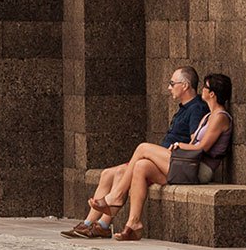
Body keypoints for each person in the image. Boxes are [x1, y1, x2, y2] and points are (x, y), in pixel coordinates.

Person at [62, 66, 207, 239]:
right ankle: (95, 224)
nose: (169, 87)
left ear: (184, 85)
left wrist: (177, 145)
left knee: (142, 148)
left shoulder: (197, 108)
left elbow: (195, 141)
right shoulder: (184, 108)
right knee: (112, 172)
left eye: (172, 83)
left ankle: (113, 202)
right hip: (166, 160)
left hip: (178, 162)